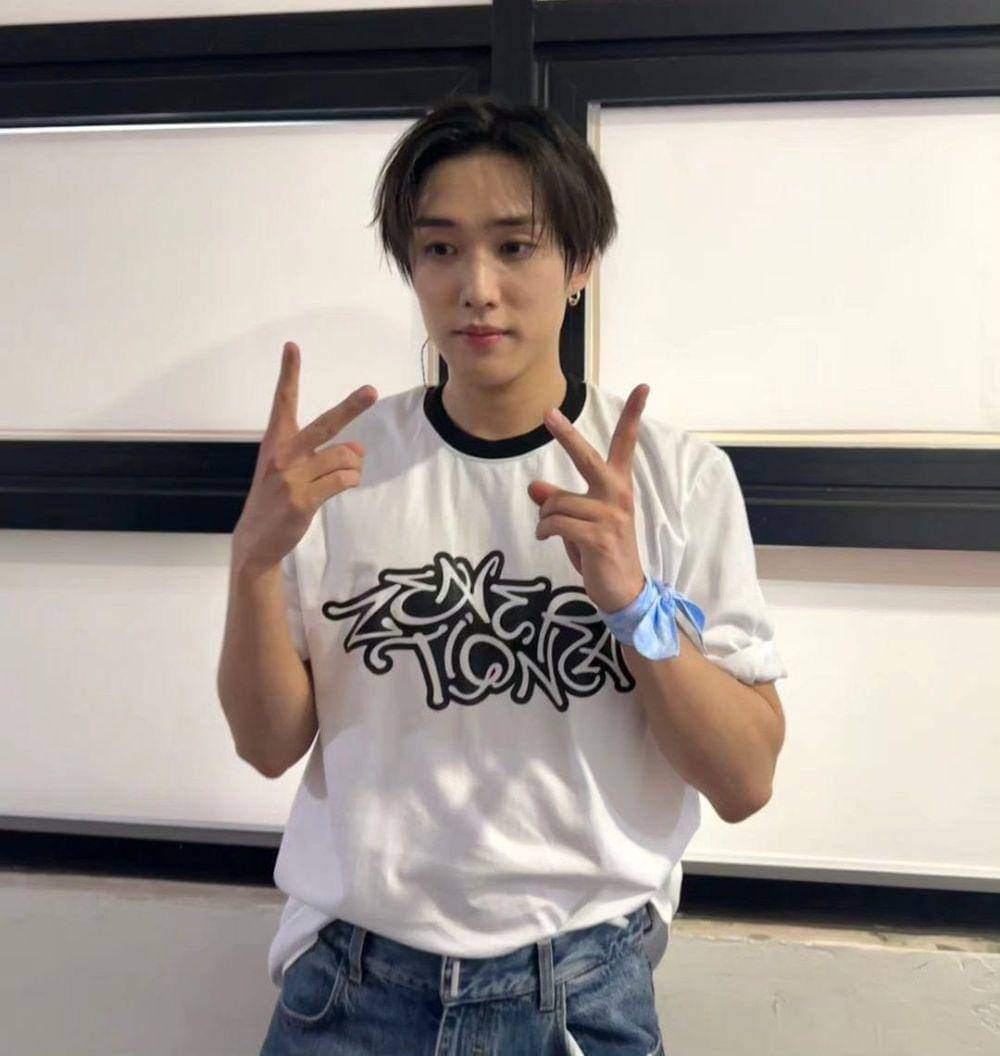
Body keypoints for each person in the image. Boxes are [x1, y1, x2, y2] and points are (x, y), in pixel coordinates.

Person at [218, 93, 787, 1056]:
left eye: (515, 247)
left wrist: (634, 603)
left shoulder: (678, 478)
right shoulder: (339, 472)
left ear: (580, 263)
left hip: (579, 991)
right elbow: (268, 744)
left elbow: (745, 780)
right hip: (351, 988)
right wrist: (252, 562)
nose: (476, 287)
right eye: (440, 249)